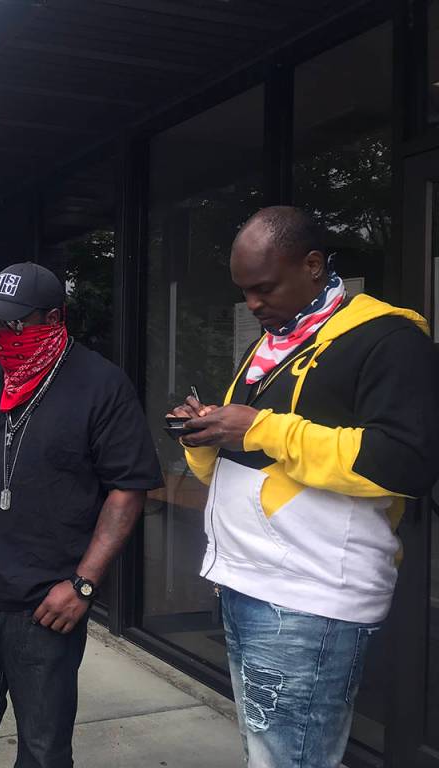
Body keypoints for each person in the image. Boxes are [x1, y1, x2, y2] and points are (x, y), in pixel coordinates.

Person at [170, 206, 439, 768]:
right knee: (269, 754)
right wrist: (205, 434)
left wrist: (259, 427)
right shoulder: (276, 339)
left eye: (263, 288)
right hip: (247, 579)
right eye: (243, 291)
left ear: (313, 265)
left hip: (310, 594)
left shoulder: (388, 338)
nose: (252, 304)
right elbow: (235, 464)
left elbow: (404, 465)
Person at [0, 262, 163, 768]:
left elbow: (127, 489)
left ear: (55, 317)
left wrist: (84, 584)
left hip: (47, 603)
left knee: (45, 751)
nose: (3, 335)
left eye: (17, 323)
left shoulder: (100, 384)